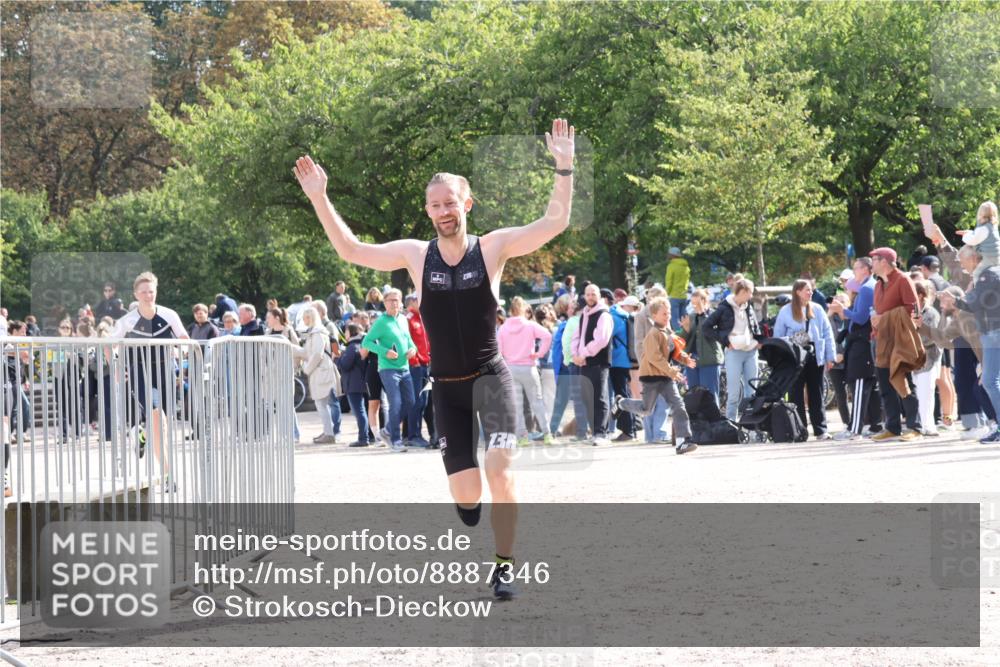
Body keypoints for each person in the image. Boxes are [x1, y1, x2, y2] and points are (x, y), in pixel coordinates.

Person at [294, 117, 575, 600]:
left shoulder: (492, 248)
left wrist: (564, 168)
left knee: (500, 470)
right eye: (436, 205)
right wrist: (320, 197)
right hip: (447, 389)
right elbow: (350, 249)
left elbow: (554, 223)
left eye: (451, 202)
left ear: (467, 204)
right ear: (428, 211)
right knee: (467, 494)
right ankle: (470, 504)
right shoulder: (416, 256)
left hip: (491, 380)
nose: (445, 211)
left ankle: (504, 565)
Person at [111, 272, 189, 492]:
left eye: (151, 291)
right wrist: (116, 368)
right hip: (141, 373)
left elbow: (184, 337)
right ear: (136, 294)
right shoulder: (127, 321)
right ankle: (168, 475)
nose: (148, 295)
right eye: (144, 292)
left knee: (163, 424)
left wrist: (183, 353)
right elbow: (108, 344)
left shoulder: (169, 314)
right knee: (158, 422)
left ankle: (142, 434)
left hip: (165, 371)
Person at [612, 298, 698, 454]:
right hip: (651, 377)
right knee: (646, 409)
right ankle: (621, 403)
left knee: (678, 406)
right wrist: (671, 371)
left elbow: (674, 350)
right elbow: (654, 357)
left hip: (665, 377)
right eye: (664, 313)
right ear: (654, 316)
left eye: (669, 313)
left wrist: (685, 359)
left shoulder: (668, 331)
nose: (668, 316)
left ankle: (682, 442)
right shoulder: (653, 334)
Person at [940, 246, 1000, 443]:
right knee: (985, 384)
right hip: (990, 337)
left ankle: (994, 424)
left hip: (994, 336)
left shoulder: (989, 274)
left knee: (987, 383)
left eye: (963, 260)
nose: (961, 265)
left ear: (974, 258)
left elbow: (973, 304)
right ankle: (996, 425)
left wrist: (956, 300)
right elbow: (942, 337)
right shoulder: (983, 275)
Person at [868, 247, 923, 442]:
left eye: (874, 260)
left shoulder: (903, 279)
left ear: (884, 262)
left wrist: (883, 318)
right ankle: (892, 427)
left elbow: (915, 311)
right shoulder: (878, 284)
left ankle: (915, 427)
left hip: (899, 340)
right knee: (885, 384)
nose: (871, 264)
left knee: (904, 381)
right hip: (880, 340)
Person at [773, 279, 837, 439]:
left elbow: (827, 333)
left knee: (817, 392)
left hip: (815, 354)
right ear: (798, 292)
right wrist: (792, 344)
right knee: (795, 393)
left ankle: (821, 430)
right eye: (807, 290)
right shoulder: (786, 311)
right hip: (795, 356)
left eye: (811, 289)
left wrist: (830, 357)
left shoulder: (817, 309)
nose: (810, 292)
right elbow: (778, 336)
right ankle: (799, 430)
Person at [828, 258, 883, 440]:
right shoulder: (870, 286)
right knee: (869, 386)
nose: (854, 272)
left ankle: (855, 429)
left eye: (856, 268)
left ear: (865, 269)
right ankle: (874, 425)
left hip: (862, 342)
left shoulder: (866, 288)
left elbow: (860, 318)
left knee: (859, 384)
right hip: (866, 341)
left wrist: (843, 310)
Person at [362, 289, 417, 452]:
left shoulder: (403, 319)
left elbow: (410, 341)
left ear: (401, 303)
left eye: (397, 300)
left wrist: (413, 350)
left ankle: (386, 431)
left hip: (404, 367)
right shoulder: (381, 322)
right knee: (396, 402)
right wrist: (384, 352)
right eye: (391, 300)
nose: (394, 303)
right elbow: (366, 342)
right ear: (384, 303)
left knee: (411, 402)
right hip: (388, 369)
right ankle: (395, 440)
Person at [702, 278, 764, 421]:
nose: (751, 296)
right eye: (750, 293)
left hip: (751, 352)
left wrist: (759, 341)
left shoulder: (748, 306)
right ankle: (731, 423)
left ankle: (750, 423)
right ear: (742, 292)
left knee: (752, 391)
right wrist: (725, 341)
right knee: (734, 392)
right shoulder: (724, 308)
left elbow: (755, 326)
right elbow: (706, 327)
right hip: (734, 353)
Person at [498, 296, 553, 446]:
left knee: (517, 405)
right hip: (528, 367)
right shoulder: (530, 325)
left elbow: (498, 351)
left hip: (510, 369)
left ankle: (522, 437)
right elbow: (547, 336)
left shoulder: (503, 328)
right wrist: (539, 353)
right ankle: (547, 434)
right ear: (524, 309)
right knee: (537, 402)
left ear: (511, 310)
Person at [570, 284, 614, 447]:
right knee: (587, 398)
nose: (590, 297)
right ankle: (595, 432)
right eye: (587, 294)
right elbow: (577, 336)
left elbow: (601, 339)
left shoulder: (604, 315)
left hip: (598, 362)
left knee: (599, 397)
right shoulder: (584, 314)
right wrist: (575, 354)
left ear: (599, 296)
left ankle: (602, 433)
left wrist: (583, 354)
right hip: (584, 362)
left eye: (593, 294)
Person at [296, 307, 340, 444]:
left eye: (305, 317)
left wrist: (307, 369)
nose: (304, 320)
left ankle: (329, 433)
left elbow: (317, 355)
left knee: (321, 403)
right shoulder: (316, 333)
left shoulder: (317, 333)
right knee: (322, 404)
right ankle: (328, 431)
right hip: (320, 370)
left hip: (321, 371)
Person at [678, 288, 723, 402]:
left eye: (697, 303)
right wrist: (685, 330)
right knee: (694, 395)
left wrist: (703, 315)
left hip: (709, 360)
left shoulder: (714, 315)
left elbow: (714, 334)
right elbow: (682, 341)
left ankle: (713, 414)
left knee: (710, 396)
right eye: (692, 303)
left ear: (704, 301)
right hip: (692, 361)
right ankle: (696, 414)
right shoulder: (691, 316)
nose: (694, 306)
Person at [910, 281, 942, 436]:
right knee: (919, 394)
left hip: (929, 359)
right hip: (915, 360)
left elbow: (932, 337)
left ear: (921, 295)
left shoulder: (931, 313)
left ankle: (928, 426)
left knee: (926, 394)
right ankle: (923, 425)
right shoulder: (912, 312)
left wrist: (914, 332)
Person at [404, 294, 432, 448]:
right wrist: (414, 361)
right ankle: (413, 435)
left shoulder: (421, 318)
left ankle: (416, 434)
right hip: (415, 365)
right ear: (412, 302)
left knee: (423, 401)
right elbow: (406, 341)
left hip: (424, 364)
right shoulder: (408, 319)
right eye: (418, 300)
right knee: (416, 401)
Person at [337, 323, 371, 447]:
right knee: (362, 411)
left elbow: (345, 365)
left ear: (351, 332)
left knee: (359, 412)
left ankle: (363, 438)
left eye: (346, 331)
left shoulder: (352, 347)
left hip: (353, 384)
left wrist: (337, 358)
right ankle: (365, 437)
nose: (344, 334)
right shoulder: (360, 345)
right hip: (360, 383)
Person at [957, 201, 999, 282]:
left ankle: (977, 287)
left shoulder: (984, 228)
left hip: (988, 258)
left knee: (977, 273)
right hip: (995, 257)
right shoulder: (992, 227)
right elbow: (978, 235)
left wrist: (965, 236)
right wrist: (969, 232)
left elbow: (973, 240)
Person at [664, 247, 690, 331]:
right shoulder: (686, 267)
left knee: (674, 319)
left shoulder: (671, 266)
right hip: (684, 296)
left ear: (672, 255)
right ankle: (688, 335)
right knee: (684, 318)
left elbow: (669, 281)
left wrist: (666, 293)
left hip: (674, 296)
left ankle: (679, 336)